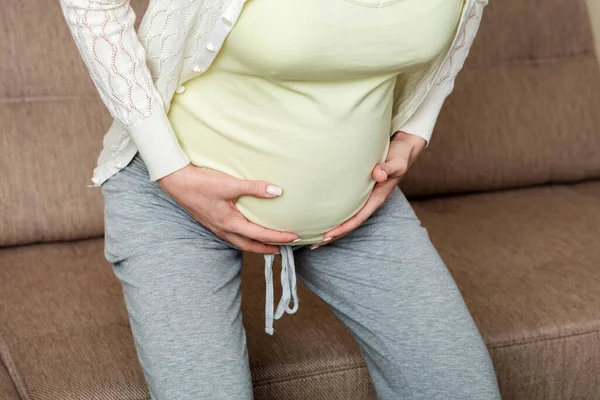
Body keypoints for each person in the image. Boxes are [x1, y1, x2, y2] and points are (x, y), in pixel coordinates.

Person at [59, 0, 502, 398]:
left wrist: (416, 129)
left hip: (356, 209)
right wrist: (168, 166)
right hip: (172, 203)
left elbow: (461, 20)